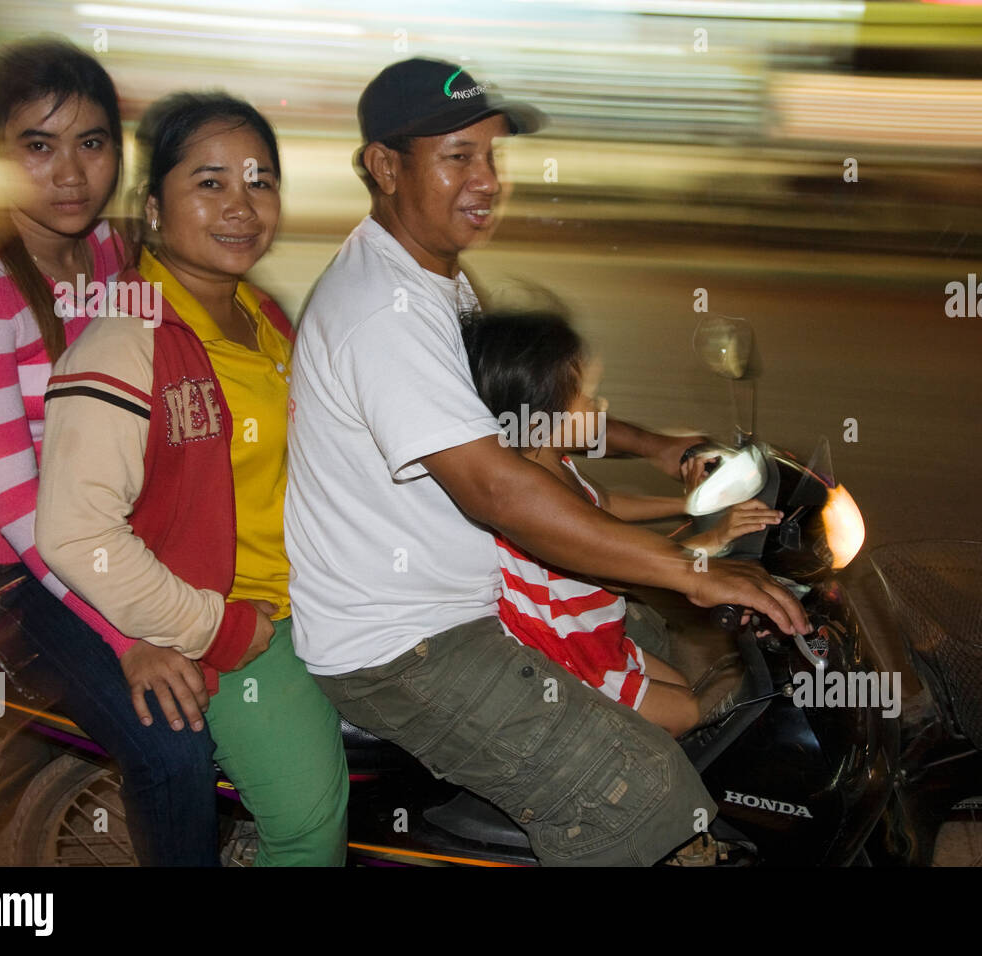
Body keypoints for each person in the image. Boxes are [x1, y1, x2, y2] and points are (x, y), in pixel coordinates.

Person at [286, 57, 810, 866]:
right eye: (457, 156)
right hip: (408, 646)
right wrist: (690, 568)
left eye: (492, 156)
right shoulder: (380, 312)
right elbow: (498, 485)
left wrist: (654, 446)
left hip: (475, 600)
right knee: (642, 797)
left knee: (684, 669)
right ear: (384, 167)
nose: (487, 179)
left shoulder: (433, 282)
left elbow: (523, 415)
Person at [0, 38, 221, 866]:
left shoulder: (115, 254)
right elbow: (19, 509)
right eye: (38, 146)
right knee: (173, 743)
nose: (70, 173)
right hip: (17, 571)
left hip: (118, 529)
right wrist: (129, 638)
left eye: (91, 143)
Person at [35, 91, 347, 866]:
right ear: (152, 207)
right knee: (310, 823)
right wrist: (218, 628)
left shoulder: (261, 313)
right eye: (210, 183)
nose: (242, 207)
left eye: (260, 181)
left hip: (316, 598)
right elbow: (75, 532)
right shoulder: (124, 345)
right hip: (235, 628)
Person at [460, 308, 782, 737]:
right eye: (590, 399)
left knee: (688, 687)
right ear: (542, 416)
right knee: (689, 712)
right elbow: (619, 570)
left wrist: (687, 506)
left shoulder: (552, 464)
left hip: (600, 635)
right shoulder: (530, 501)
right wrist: (714, 541)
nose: (603, 406)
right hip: (575, 660)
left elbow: (605, 504)